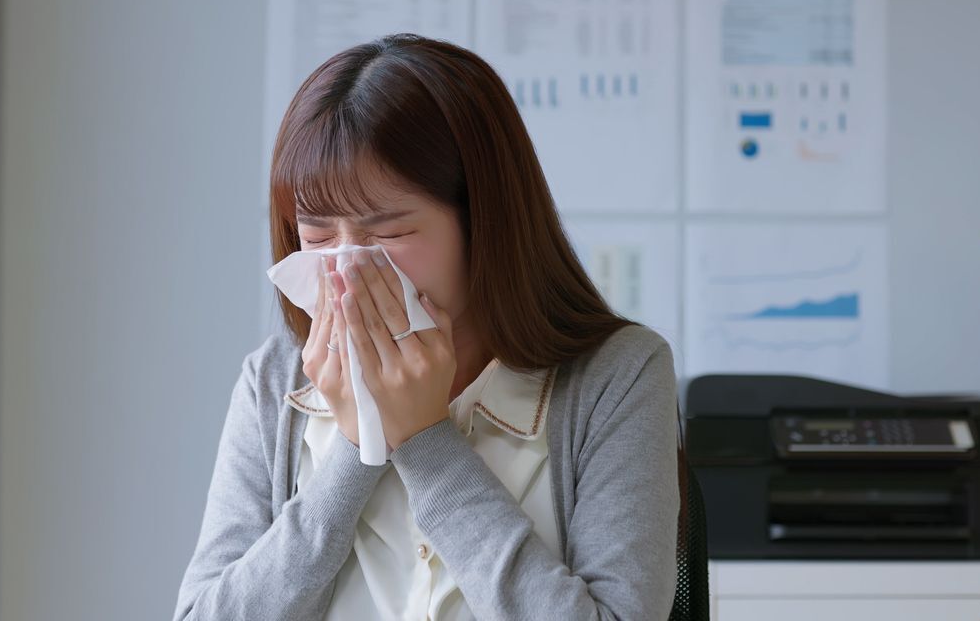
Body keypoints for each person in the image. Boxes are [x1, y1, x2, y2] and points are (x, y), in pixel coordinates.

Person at [173, 33, 680, 620]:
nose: (345, 271)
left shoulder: (618, 375)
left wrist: (424, 441)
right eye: (315, 237)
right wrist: (360, 442)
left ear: (484, 222)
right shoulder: (274, 382)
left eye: (387, 234)